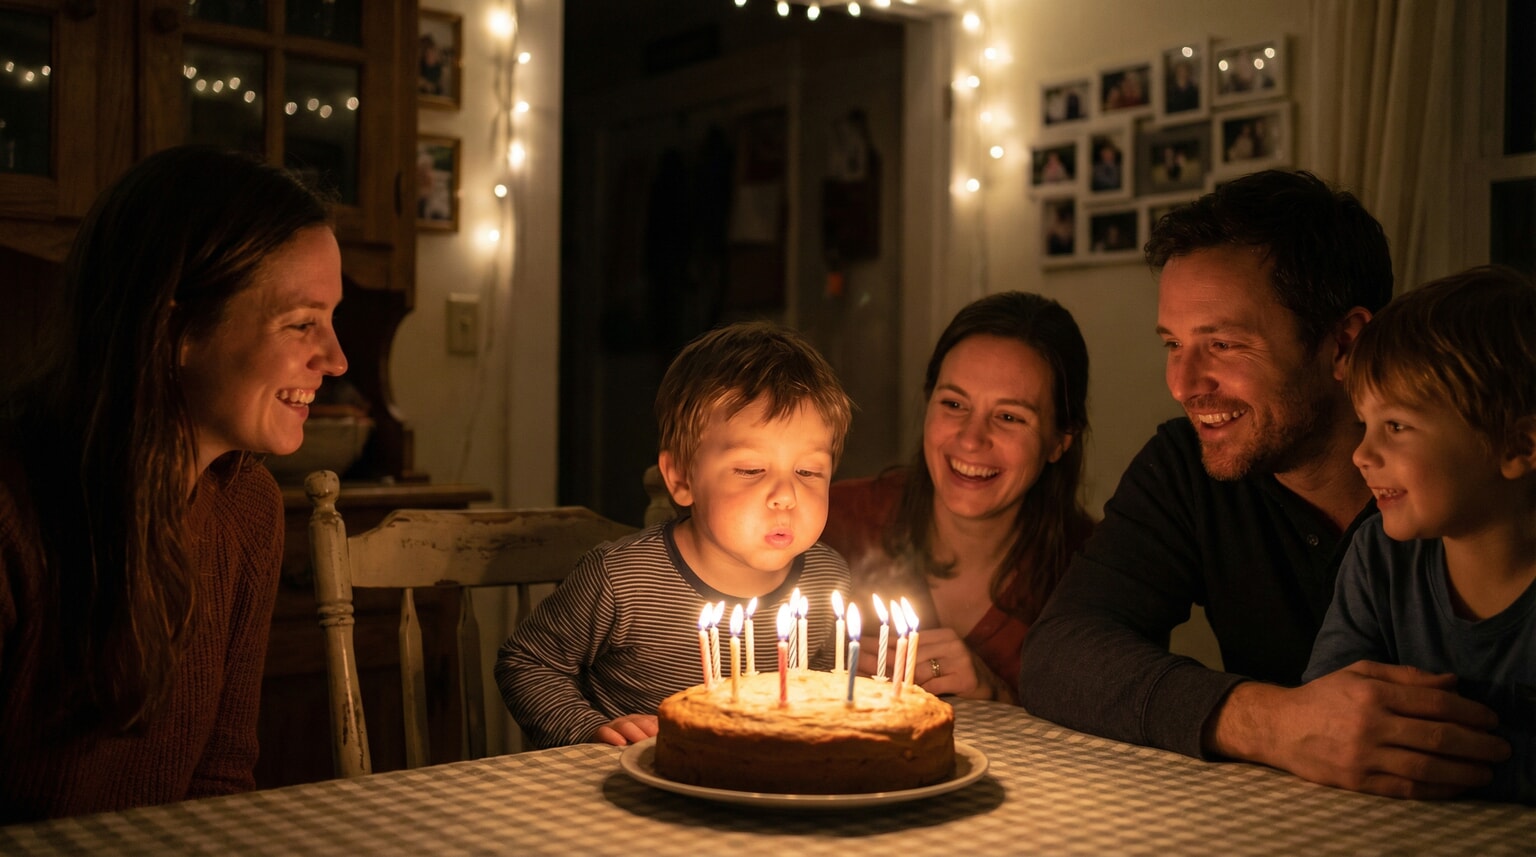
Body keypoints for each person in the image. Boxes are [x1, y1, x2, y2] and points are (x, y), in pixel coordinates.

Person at [1020, 169, 1512, 800]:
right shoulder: (1185, 466)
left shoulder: (1466, 483)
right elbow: (1062, 653)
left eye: (1223, 343)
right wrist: (1272, 723)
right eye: (1174, 343)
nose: (1183, 383)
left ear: (1346, 343)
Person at [0, 146, 347, 822]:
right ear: (174, 328)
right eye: (302, 322)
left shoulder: (249, 508)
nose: (335, 358)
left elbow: (219, 778)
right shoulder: (14, 515)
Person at [497, 321, 854, 748]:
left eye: (808, 472)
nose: (786, 496)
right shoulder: (622, 580)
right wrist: (587, 730)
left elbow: (831, 693)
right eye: (751, 469)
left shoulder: (826, 579)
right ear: (682, 479)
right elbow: (527, 661)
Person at [1306, 266, 1535, 804]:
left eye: (1397, 427)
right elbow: (1329, 716)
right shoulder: (1378, 558)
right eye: (1364, 423)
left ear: (1518, 448)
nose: (1362, 455)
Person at [822, 292, 1092, 705]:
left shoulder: (1096, 573)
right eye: (953, 404)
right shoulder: (829, 523)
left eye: (1009, 417)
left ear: (1059, 441)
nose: (970, 439)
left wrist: (1000, 697)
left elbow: (1116, 742)